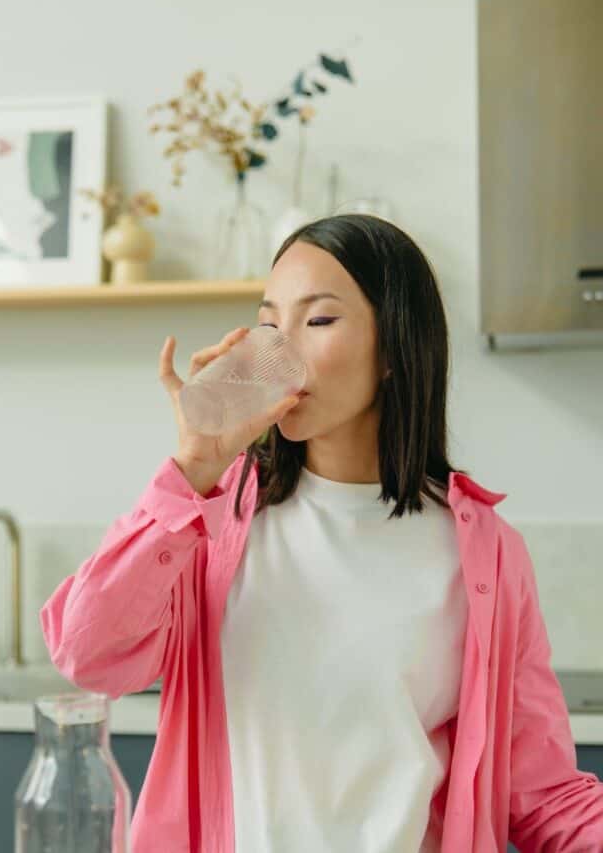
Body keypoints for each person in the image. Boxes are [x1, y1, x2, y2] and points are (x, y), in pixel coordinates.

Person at [40, 214, 603, 852]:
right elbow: (88, 653)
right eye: (269, 325)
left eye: (319, 320)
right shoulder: (213, 520)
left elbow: (542, 796)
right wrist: (193, 472)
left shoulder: (486, 554)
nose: (279, 352)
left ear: (393, 349)